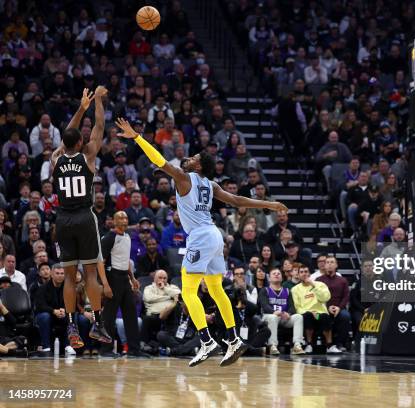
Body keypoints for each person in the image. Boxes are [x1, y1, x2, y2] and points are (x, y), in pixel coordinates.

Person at [115, 117, 288, 367]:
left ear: (198, 165)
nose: (189, 157)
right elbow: (238, 201)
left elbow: (157, 160)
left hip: (200, 236)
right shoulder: (210, 183)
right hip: (215, 235)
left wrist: (137, 137)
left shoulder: (185, 178)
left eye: (193, 157)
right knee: (216, 289)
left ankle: (206, 341)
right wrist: (269, 205)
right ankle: (233, 339)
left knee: (188, 291)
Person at [50, 87, 112, 349]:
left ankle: (72, 325)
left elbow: (67, 135)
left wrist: (80, 107)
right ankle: (97, 324)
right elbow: (99, 125)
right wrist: (97, 100)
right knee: (90, 275)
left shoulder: (55, 158)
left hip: (63, 220)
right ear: (79, 143)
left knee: (68, 276)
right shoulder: (88, 156)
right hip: (85, 218)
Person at [100, 211, 145, 357]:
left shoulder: (127, 236)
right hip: (112, 277)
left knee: (131, 314)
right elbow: (100, 263)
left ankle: (134, 350)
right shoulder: (108, 238)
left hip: (124, 278)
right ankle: (106, 350)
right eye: (120, 217)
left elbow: (125, 260)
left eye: (125, 217)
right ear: (113, 221)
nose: (124, 220)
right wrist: (105, 285)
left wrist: (132, 278)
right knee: (109, 316)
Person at [291, 266, 338, 354]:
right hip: (306, 312)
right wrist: (308, 312)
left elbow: (325, 298)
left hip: (320, 312)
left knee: (325, 316)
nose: (304, 273)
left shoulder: (320, 284)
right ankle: (309, 344)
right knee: (307, 316)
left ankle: (329, 345)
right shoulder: (295, 289)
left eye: (306, 271)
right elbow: (297, 307)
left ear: (309, 274)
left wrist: (313, 285)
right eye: (301, 272)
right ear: (298, 275)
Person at [260, 269, 305, 355]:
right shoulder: (265, 290)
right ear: (269, 278)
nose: (276, 275)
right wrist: (274, 312)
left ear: (281, 277)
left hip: (283, 317)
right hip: (269, 316)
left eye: (278, 273)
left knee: (298, 317)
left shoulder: (287, 291)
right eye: (274, 273)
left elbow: (292, 307)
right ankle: (272, 345)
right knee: (273, 317)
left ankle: (297, 345)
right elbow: (264, 306)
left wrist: (289, 314)